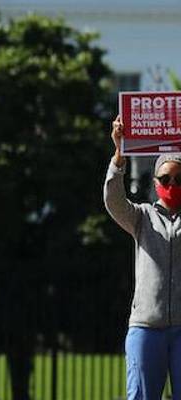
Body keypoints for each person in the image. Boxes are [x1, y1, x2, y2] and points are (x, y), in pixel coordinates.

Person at [105, 115, 181, 400]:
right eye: (165, 178)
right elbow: (113, 202)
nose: (172, 184)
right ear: (156, 180)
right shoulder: (142, 216)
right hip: (147, 326)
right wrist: (119, 155)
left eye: (179, 178)